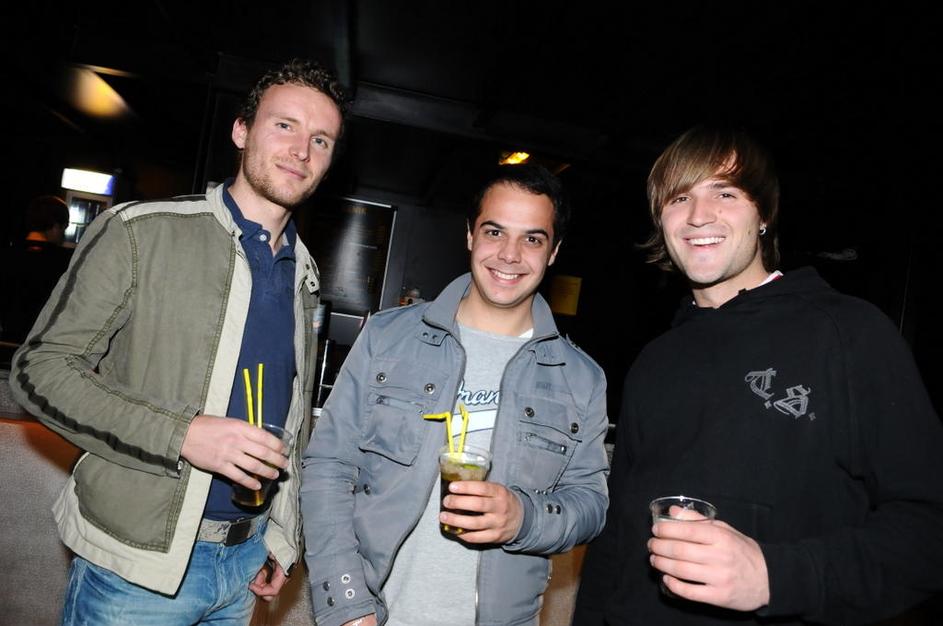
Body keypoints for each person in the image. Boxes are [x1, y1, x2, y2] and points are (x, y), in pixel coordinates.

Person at [10, 58, 346, 625]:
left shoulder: (305, 277)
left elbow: (292, 419)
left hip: (243, 562)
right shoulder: (141, 231)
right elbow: (38, 371)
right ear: (241, 130)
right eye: (284, 125)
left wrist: (281, 534)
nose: (301, 150)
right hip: (135, 573)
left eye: (321, 139)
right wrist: (184, 434)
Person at [573, 126, 943, 625]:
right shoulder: (654, 360)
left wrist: (775, 577)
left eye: (724, 193)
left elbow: (929, 529)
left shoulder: (849, 334)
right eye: (679, 198)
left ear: (764, 213)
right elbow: (616, 540)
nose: (699, 215)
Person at [301, 164, 610, 626]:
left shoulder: (581, 378)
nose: (509, 254)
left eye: (532, 239)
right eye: (494, 232)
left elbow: (591, 504)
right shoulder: (387, 337)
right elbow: (329, 466)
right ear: (470, 235)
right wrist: (347, 603)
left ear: (554, 252)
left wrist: (523, 517)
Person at [0, 195, 73, 343]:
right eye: (64, 227)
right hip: (42, 342)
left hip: (7, 339)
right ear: (56, 226)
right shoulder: (63, 261)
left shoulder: (8, 254)